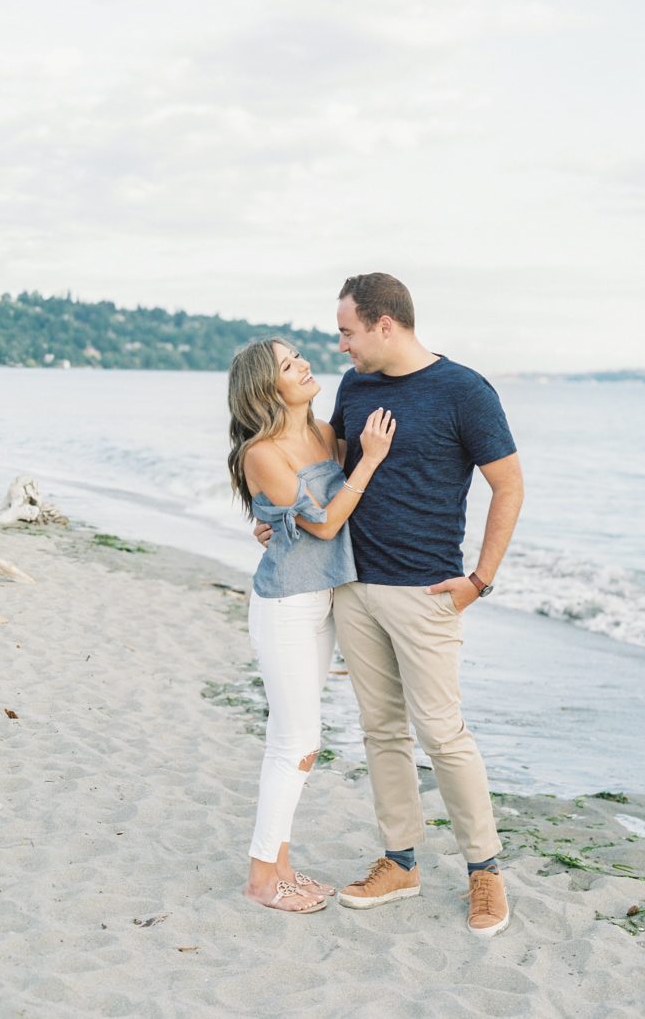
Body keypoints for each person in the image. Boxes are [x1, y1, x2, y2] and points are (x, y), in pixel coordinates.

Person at [256, 273, 523, 937]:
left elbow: (509, 486)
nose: (339, 344)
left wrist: (480, 578)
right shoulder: (357, 386)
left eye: (347, 330)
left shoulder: (465, 390)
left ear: (383, 323)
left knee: (443, 732)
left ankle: (484, 869)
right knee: (381, 729)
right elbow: (333, 465)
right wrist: (280, 517)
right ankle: (401, 859)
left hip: (427, 591)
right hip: (352, 583)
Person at [228, 338, 395, 914]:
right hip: (285, 606)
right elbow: (324, 526)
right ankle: (260, 877)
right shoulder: (261, 450)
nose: (302, 365)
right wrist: (369, 460)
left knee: (296, 740)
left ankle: (281, 867)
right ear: (265, 386)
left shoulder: (325, 434)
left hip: (324, 598)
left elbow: (326, 514)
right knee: (296, 742)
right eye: (287, 364)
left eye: (298, 356)